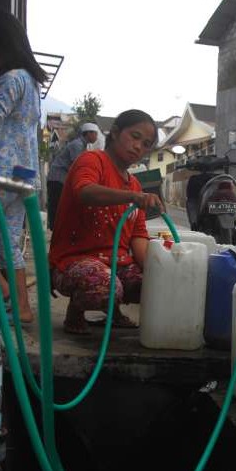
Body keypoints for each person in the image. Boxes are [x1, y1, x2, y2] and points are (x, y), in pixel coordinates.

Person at [48, 110, 163, 335]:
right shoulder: (91, 160)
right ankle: (75, 312)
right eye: (135, 136)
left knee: (155, 284)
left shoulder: (136, 186)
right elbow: (85, 192)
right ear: (116, 133)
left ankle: (114, 312)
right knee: (105, 287)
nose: (139, 146)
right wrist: (131, 197)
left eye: (146, 144)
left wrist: (159, 271)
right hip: (74, 260)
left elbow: (138, 236)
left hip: (116, 264)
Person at [0, 11, 48, 324]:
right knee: (5, 241)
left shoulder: (9, 80)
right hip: (24, 174)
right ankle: (23, 307)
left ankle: (4, 291)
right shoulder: (31, 83)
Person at [47, 123, 100, 230]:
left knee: (61, 204)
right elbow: (77, 165)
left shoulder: (83, 146)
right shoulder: (77, 145)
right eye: (95, 134)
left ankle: (58, 228)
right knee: (57, 204)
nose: (96, 137)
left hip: (63, 178)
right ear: (88, 133)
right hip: (58, 177)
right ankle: (55, 229)